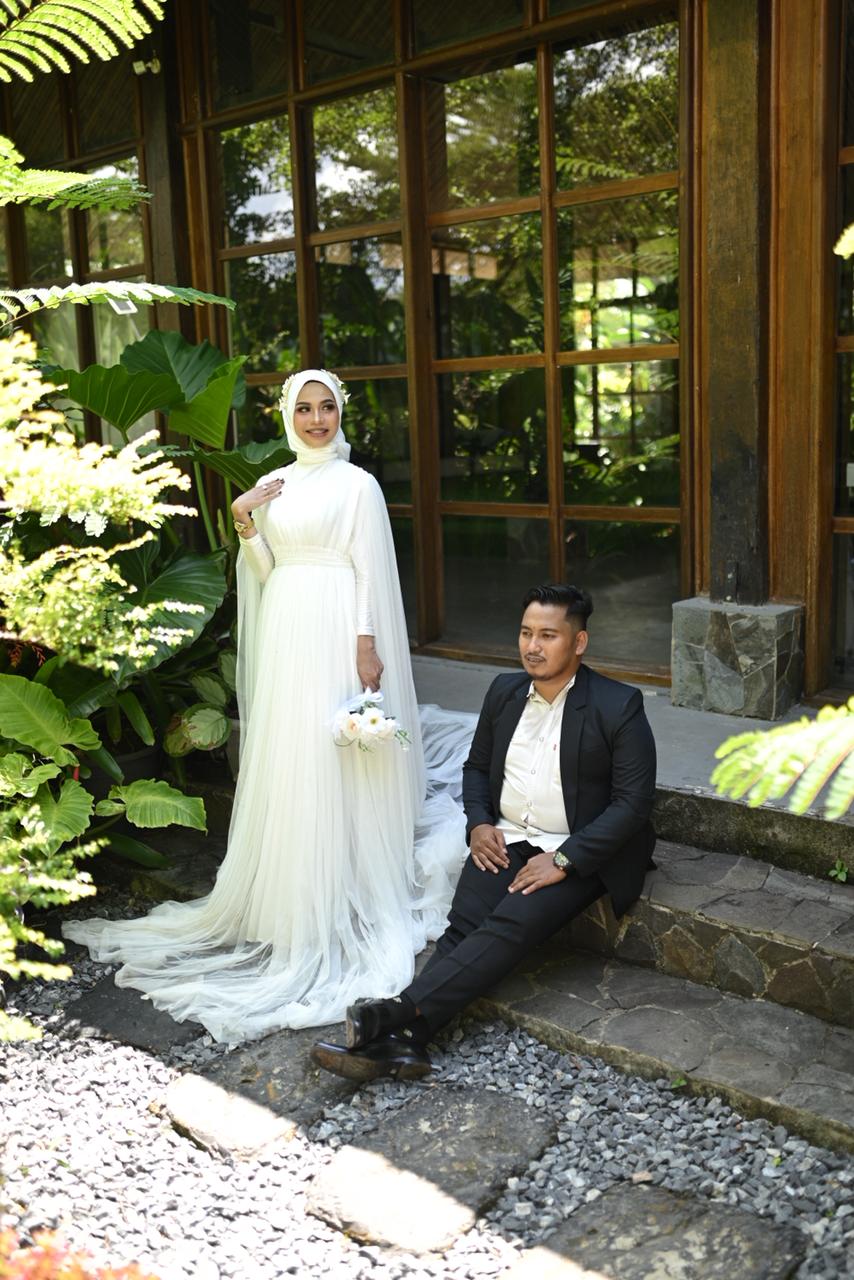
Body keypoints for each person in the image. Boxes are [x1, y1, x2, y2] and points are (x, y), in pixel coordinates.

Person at [64, 369, 472, 1043]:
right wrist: (244, 518)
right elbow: (264, 571)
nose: (316, 419)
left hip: (337, 623)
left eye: (326, 407)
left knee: (339, 742)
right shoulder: (276, 480)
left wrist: (365, 643)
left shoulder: (358, 485)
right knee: (294, 749)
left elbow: (370, 569)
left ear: (340, 413)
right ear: (288, 415)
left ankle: (346, 872)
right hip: (288, 627)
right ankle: (292, 890)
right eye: (304, 408)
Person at [312, 583, 657, 1081]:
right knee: (462, 928)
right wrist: (478, 824)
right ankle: (407, 1041)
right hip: (506, 836)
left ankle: (394, 1013)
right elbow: (475, 768)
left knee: (510, 922)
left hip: (577, 850)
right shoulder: (504, 692)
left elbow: (632, 805)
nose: (532, 646)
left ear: (578, 642)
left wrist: (564, 859)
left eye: (548, 635)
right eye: (525, 633)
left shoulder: (618, 704)